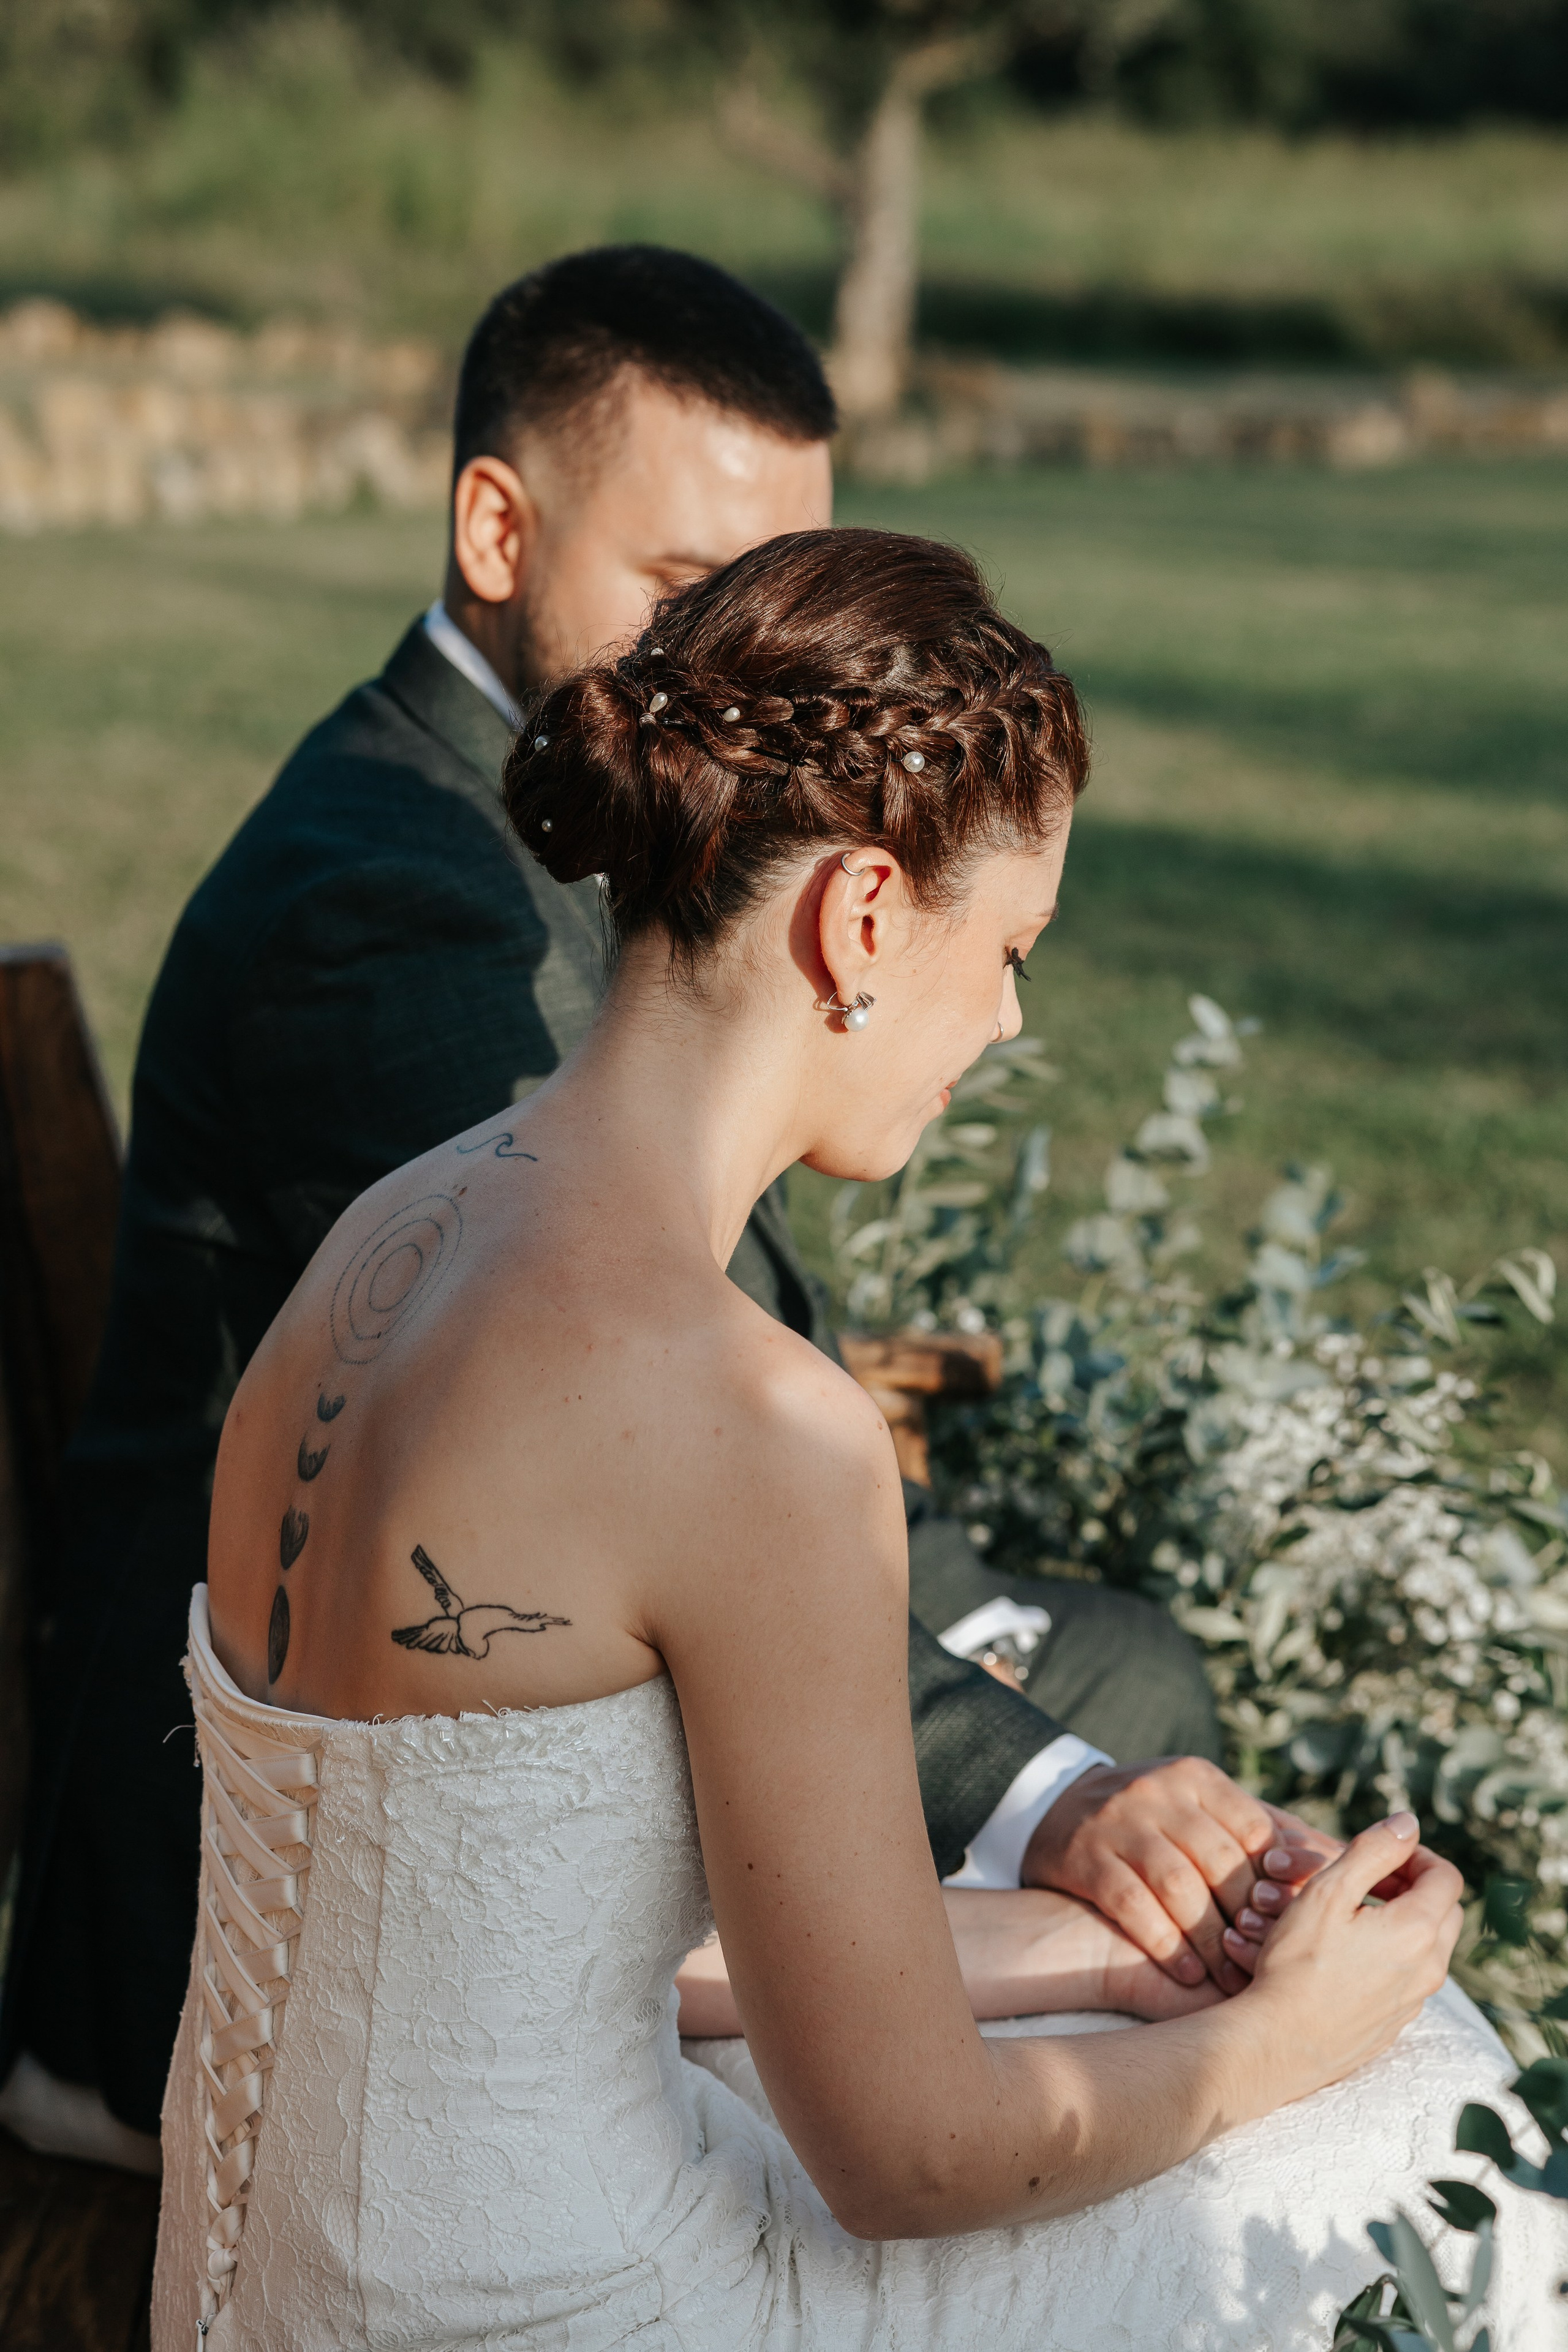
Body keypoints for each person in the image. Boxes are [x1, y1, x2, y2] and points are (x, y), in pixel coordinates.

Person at [151, 527, 1559, 2350]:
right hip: (557, 2309)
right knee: (1426, 2113)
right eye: (1015, 949)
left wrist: (1135, 1970)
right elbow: (904, 2157)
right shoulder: (752, 1420)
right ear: (867, 917)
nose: (1011, 1019)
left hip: (258, 2286)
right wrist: (1271, 2044)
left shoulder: (385, 1242)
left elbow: (524, 1929)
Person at [4, 247, 1288, 2169]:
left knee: (1112, 1734)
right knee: (1167, 1850)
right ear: (496, 525)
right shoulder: (386, 910)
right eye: (692, 601)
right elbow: (636, 1428)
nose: (742, 686)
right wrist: (1071, 1817)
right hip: (248, 1955)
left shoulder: (554, 844)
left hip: (475, 1733)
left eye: (783, 600)